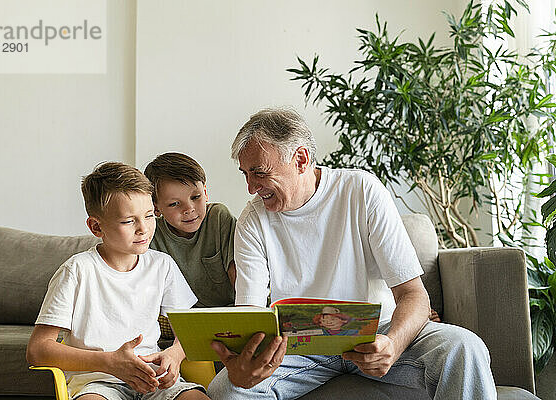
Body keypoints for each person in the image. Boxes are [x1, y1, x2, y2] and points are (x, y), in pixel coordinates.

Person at [206, 108, 496, 399]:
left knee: (464, 347)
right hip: (295, 349)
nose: (251, 187)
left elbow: (414, 295)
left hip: (377, 333)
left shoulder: (362, 190)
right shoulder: (251, 220)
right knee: (225, 390)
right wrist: (244, 368)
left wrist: (392, 345)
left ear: (301, 160)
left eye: (259, 172)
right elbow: (251, 314)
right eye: (245, 174)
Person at [26, 162, 209, 400]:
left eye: (149, 216)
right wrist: (109, 362)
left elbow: (188, 331)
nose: (143, 228)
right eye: (128, 221)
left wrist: (175, 355)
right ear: (96, 226)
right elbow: (38, 350)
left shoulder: (162, 266)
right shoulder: (76, 271)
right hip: (96, 382)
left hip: (152, 379)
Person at [144, 152, 236, 308]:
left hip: (228, 311)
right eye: (174, 204)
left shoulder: (218, 218)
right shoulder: (151, 234)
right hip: (179, 319)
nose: (189, 209)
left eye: (196, 197)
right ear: (155, 208)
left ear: (205, 193)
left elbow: (240, 276)